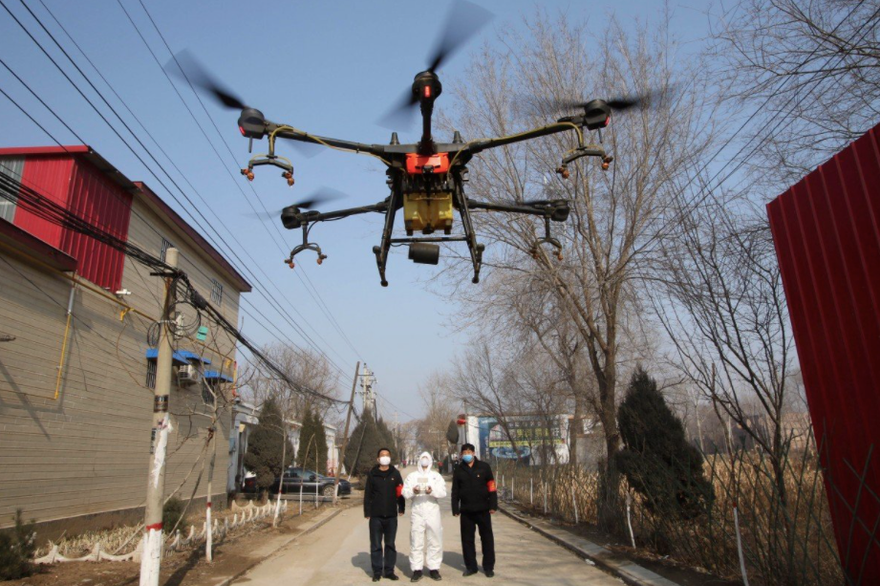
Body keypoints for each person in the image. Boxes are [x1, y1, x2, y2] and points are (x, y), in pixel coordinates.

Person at [451, 443, 497, 578]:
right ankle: (471, 567)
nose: (467, 454)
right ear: (461, 455)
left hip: (483, 509)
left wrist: (493, 505)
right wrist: (455, 508)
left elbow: (491, 487)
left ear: (474, 453)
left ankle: (488, 567)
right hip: (466, 511)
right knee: (467, 540)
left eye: (469, 452)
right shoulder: (459, 469)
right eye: (464, 452)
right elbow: (455, 490)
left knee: (487, 539)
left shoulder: (484, 467)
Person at [402, 452, 447, 582]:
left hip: (432, 509)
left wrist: (431, 490)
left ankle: (434, 568)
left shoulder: (436, 476)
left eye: (427, 459)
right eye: (423, 459)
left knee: (435, 539)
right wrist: (413, 491)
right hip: (417, 510)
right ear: (419, 460)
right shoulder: (412, 476)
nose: (425, 461)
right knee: (416, 540)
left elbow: (443, 492)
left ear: (431, 461)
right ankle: (417, 569)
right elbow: (405, 492)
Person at [364, 447, 405, 581]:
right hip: (376, 516)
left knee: (390, 544)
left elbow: (400, 492)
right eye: (382, 455)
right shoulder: (373, 474)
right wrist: (367, 511)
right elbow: (368, 494)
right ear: (378, 459)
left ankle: (389, 571)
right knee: (376, 545)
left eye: (387, 455)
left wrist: (401, 508)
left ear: (390, 458)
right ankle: (376, 571)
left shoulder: (395, 473)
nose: (385, 457)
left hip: (391, 516)